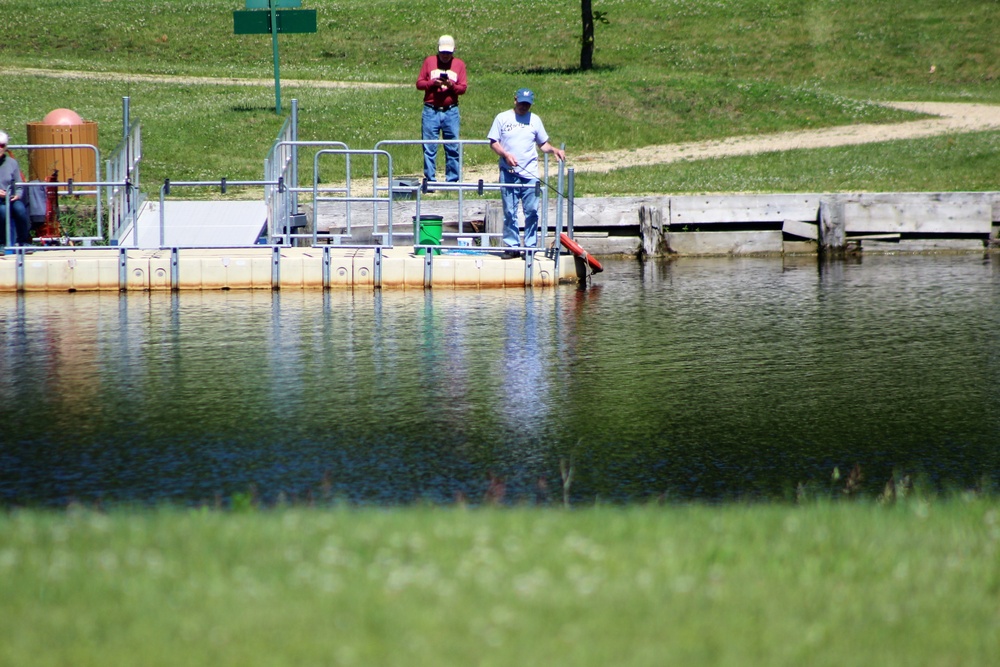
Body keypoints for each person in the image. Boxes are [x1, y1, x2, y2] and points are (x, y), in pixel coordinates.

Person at [487, 88, 565, 257]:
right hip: (508, 173)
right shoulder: (502, 118)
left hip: (530, 175)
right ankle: (512, 246)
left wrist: (554, 150)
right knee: (509, 211)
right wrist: (505, 155)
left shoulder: (535, 120)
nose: (524, 107)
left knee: (532, 212)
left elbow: (543, 144)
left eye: (527, 105)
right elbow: (493, 142)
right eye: (521, 103)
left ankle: (530, 246)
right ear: (515, 100)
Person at [416, 35, 467, 183]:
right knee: (429, 147)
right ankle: (430, 180)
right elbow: (419, 83)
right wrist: (432, 83)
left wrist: (452, 86)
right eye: (443, 52)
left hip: (451, 111)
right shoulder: (429, 62)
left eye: (449, 53)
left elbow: (463, 88)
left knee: (452, 147)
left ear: (454, 51)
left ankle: (452, 180)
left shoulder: (459, 65)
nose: (445, 56)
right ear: (438, 50)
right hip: (431, 110)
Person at [0, 130, 31, 247]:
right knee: (2, 212)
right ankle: (1, 243)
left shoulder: (12, 163)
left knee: (20, 210)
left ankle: (23, 241)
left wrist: (18, 194)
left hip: (9, 198)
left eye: (2, 145)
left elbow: (19, 182)